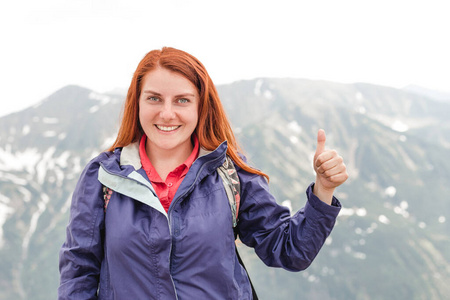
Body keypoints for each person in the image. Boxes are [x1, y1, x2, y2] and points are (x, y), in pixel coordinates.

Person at [58, 47, 348, 299]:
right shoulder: (103, 176)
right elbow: (79, 271)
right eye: (154, 99)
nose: (167, 113)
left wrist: (323, 190)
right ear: (137, 103)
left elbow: (290, 251)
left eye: (182, 100)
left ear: (201, 106)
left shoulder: (230, 174)